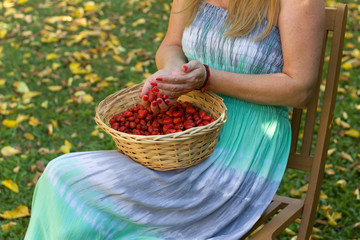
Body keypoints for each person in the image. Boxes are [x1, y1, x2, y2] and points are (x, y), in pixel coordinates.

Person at [25, 0, 325, 239]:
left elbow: (300, 89)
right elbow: (171, 47)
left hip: (241, 148)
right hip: (184, 139)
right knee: (59, 176)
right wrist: (173, 74)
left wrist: (206, 77)